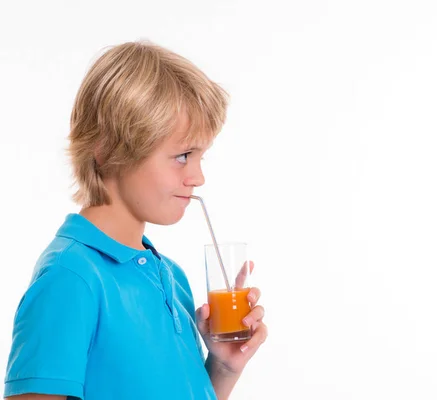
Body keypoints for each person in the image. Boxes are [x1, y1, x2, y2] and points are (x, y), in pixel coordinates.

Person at [3, 40, 267, 400]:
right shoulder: (72, 276)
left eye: (200, 156)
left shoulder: (172, 277)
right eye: (183, 155)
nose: (198, 177)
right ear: (109, 149)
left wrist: (223, 367)